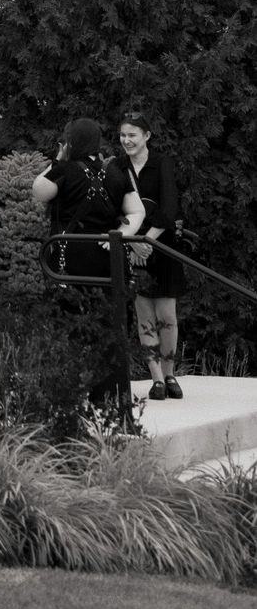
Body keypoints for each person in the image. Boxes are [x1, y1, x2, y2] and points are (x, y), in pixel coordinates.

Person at [117, 109, 186, 400]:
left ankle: (169, 373)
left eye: (132, 135)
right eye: (123, 135)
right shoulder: (118, 167)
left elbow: (170, 207)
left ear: (146, 136)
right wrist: (133, 243)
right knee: (144, 315)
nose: (127, 140)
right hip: (133, 248)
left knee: (167, 316)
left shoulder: (162, 163)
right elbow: (115, 209)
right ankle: (156, 379)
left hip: (163, 243)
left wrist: (148, 240)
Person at [32, 118, 145, 286]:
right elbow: (137, 211)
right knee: (109, 309)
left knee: (71, 309)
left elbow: (39, 191)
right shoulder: (113, 172)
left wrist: (58, 160)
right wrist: (120, 234)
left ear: (70, 142)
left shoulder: (64, 169)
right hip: (109, 258)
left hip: (71, 259)